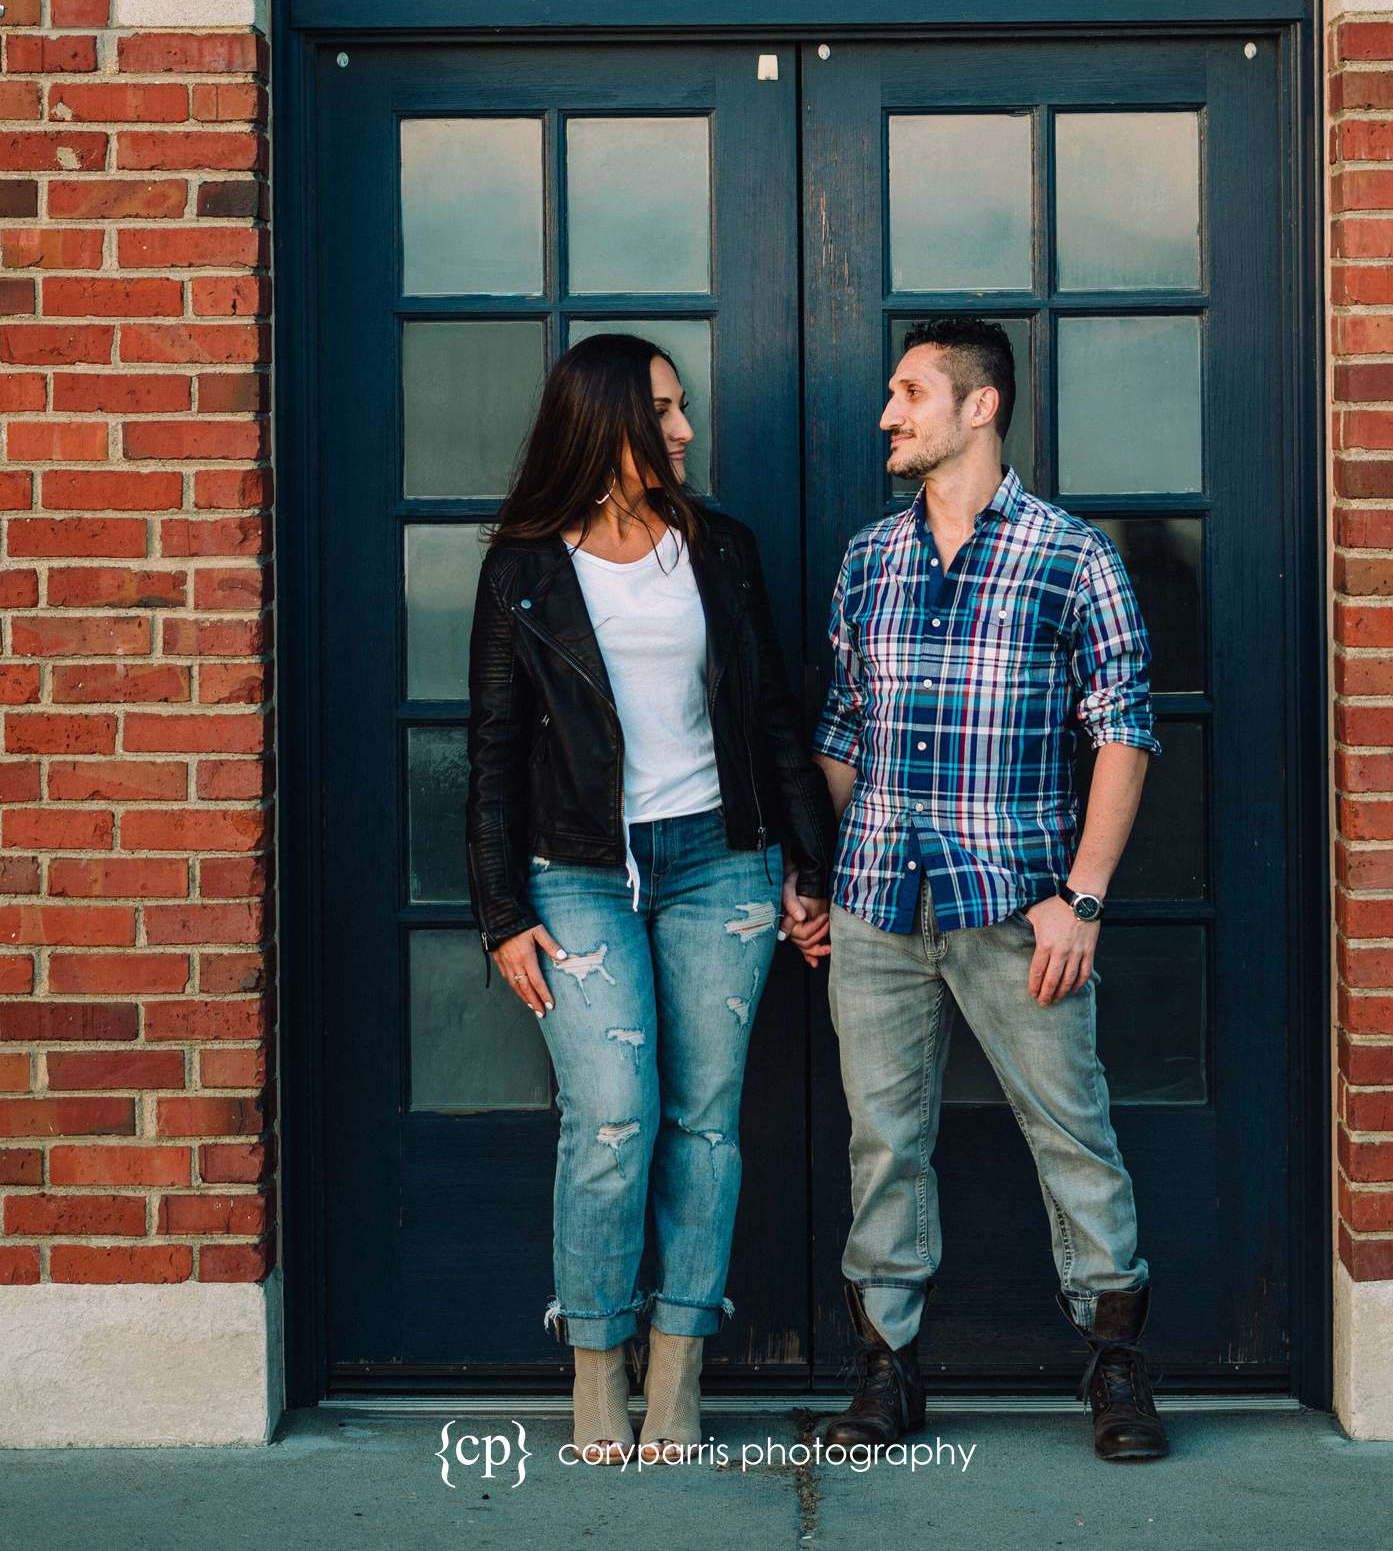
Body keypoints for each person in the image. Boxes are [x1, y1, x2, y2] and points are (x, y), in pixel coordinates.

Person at [794, 315, 1170, 1463]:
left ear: (979, 406)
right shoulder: (870, 558)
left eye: (908, 393)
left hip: (1018, 910)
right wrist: (823, 867)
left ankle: (1112, 1368)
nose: (885, 415)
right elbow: (842, 728)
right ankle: (886, 1371)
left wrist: (1084, 896)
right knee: (882, 1142)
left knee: (1072, 1133)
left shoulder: (1071, 556)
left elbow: (1123, 730)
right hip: (873, 907)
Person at [466, 333, 836, 1466]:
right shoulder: (524, 564)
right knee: (614, 1115)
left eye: (681, 411)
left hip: (720, 860)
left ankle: (677, 1363)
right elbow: (488, 747)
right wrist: (498, 913)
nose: (682, 431)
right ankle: (594, 1361)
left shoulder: (717, 549)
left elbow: (772, 715)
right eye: (663, 412)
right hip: (577, 871)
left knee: (703, 1122)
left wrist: (805, 868)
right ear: (603, 423)